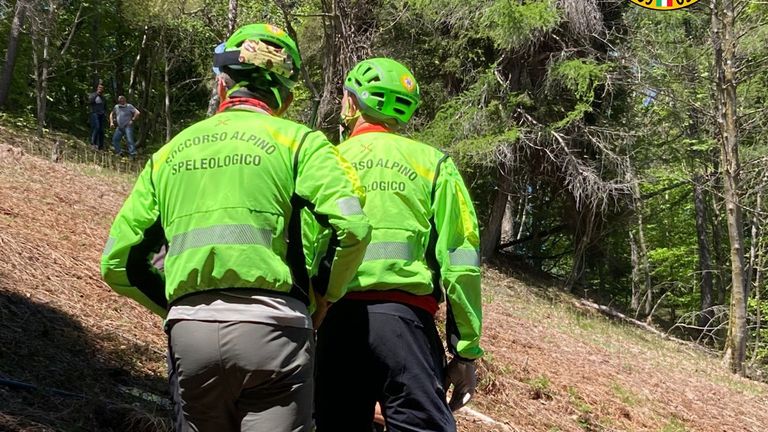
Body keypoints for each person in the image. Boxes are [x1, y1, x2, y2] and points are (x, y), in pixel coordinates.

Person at [100, 23, 371, 432]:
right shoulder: (301, 143)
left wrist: (178, 306)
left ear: (223, 85)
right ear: (284, 95)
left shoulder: (171, 152)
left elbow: (117, 263)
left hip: (191, 335)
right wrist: (324, 294)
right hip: (276, 328)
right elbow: (353, 227)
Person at [312, 58, 484, 432]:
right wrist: (465, 350)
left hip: (336, 322)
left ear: (351, 104)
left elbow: (307, 244)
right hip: (407, 325)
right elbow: (461, 259)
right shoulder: (433, 164)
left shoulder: (326, 161)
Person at [88, 83, 107, 150]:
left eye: (102, 88)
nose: (100, 89)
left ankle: (101, 146)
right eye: (99, 88)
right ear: (97, 88)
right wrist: (97, 94)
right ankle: (93, 143)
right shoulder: (93, 95)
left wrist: (105, 113)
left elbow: (105, 106)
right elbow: (90, 102)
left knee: (101, 130)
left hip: (101, 114)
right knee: (96, 127)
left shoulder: (103, 97)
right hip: (94, 113)